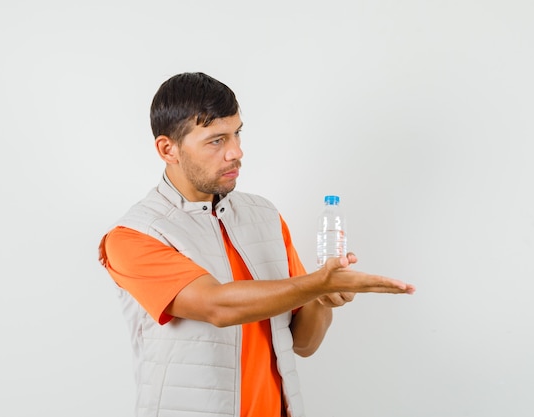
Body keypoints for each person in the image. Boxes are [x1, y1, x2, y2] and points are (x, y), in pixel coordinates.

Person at [98, 72, 415, 417]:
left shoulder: (264, 216)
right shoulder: (134, 236)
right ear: (167, 149)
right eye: (216, 140)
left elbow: (304, 344)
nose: (236, 152)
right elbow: (217, 307)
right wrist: (314, 284)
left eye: (237, 133)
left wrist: (323, 297)